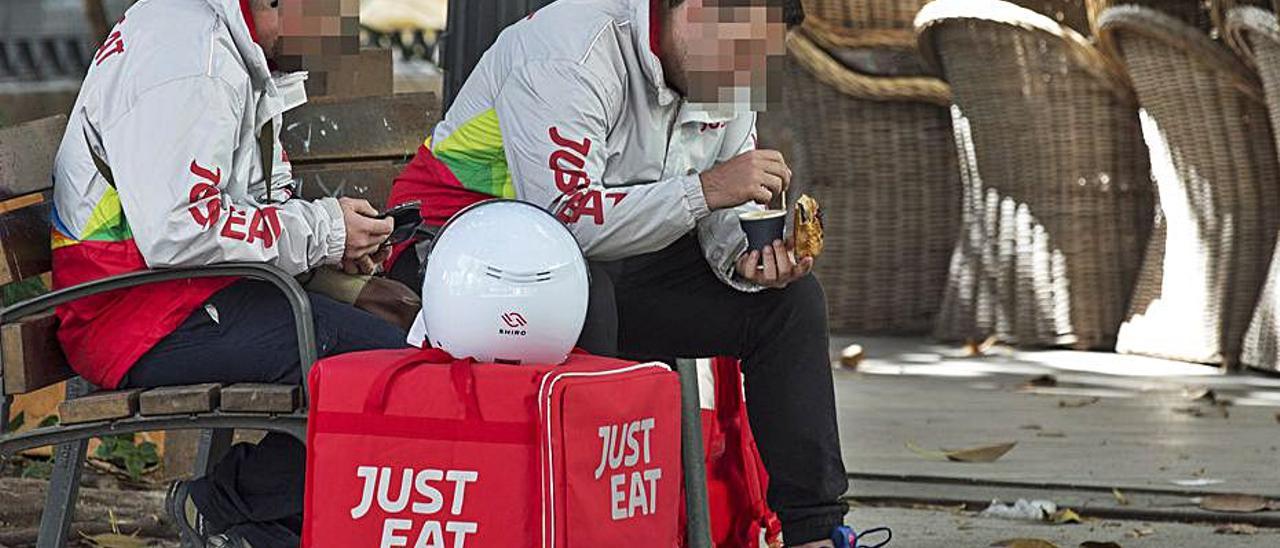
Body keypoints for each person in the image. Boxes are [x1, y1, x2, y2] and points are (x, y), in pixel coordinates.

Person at [385, 0, 854, 545]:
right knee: (588, 298)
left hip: (601, 260)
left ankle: (815, 531)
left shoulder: (730, 71)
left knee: (787, 305)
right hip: (456, 251)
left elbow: (715, 217)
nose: (752, 77)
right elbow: (567, 217)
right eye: (746, 53)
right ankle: (600, 531)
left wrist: (747, 262)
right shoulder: (571, 53)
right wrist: (708, 189)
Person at [51, 0, 406, 545]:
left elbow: (257, 196)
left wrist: (333, 253)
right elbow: (179, 230)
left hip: (186, 291)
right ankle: (225, 509)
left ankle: (251, 523)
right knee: (385, 375)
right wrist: (323, 232)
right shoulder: (192, 60)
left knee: (399, 352)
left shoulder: (236, 47)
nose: (341, 28)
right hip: (133, 313)